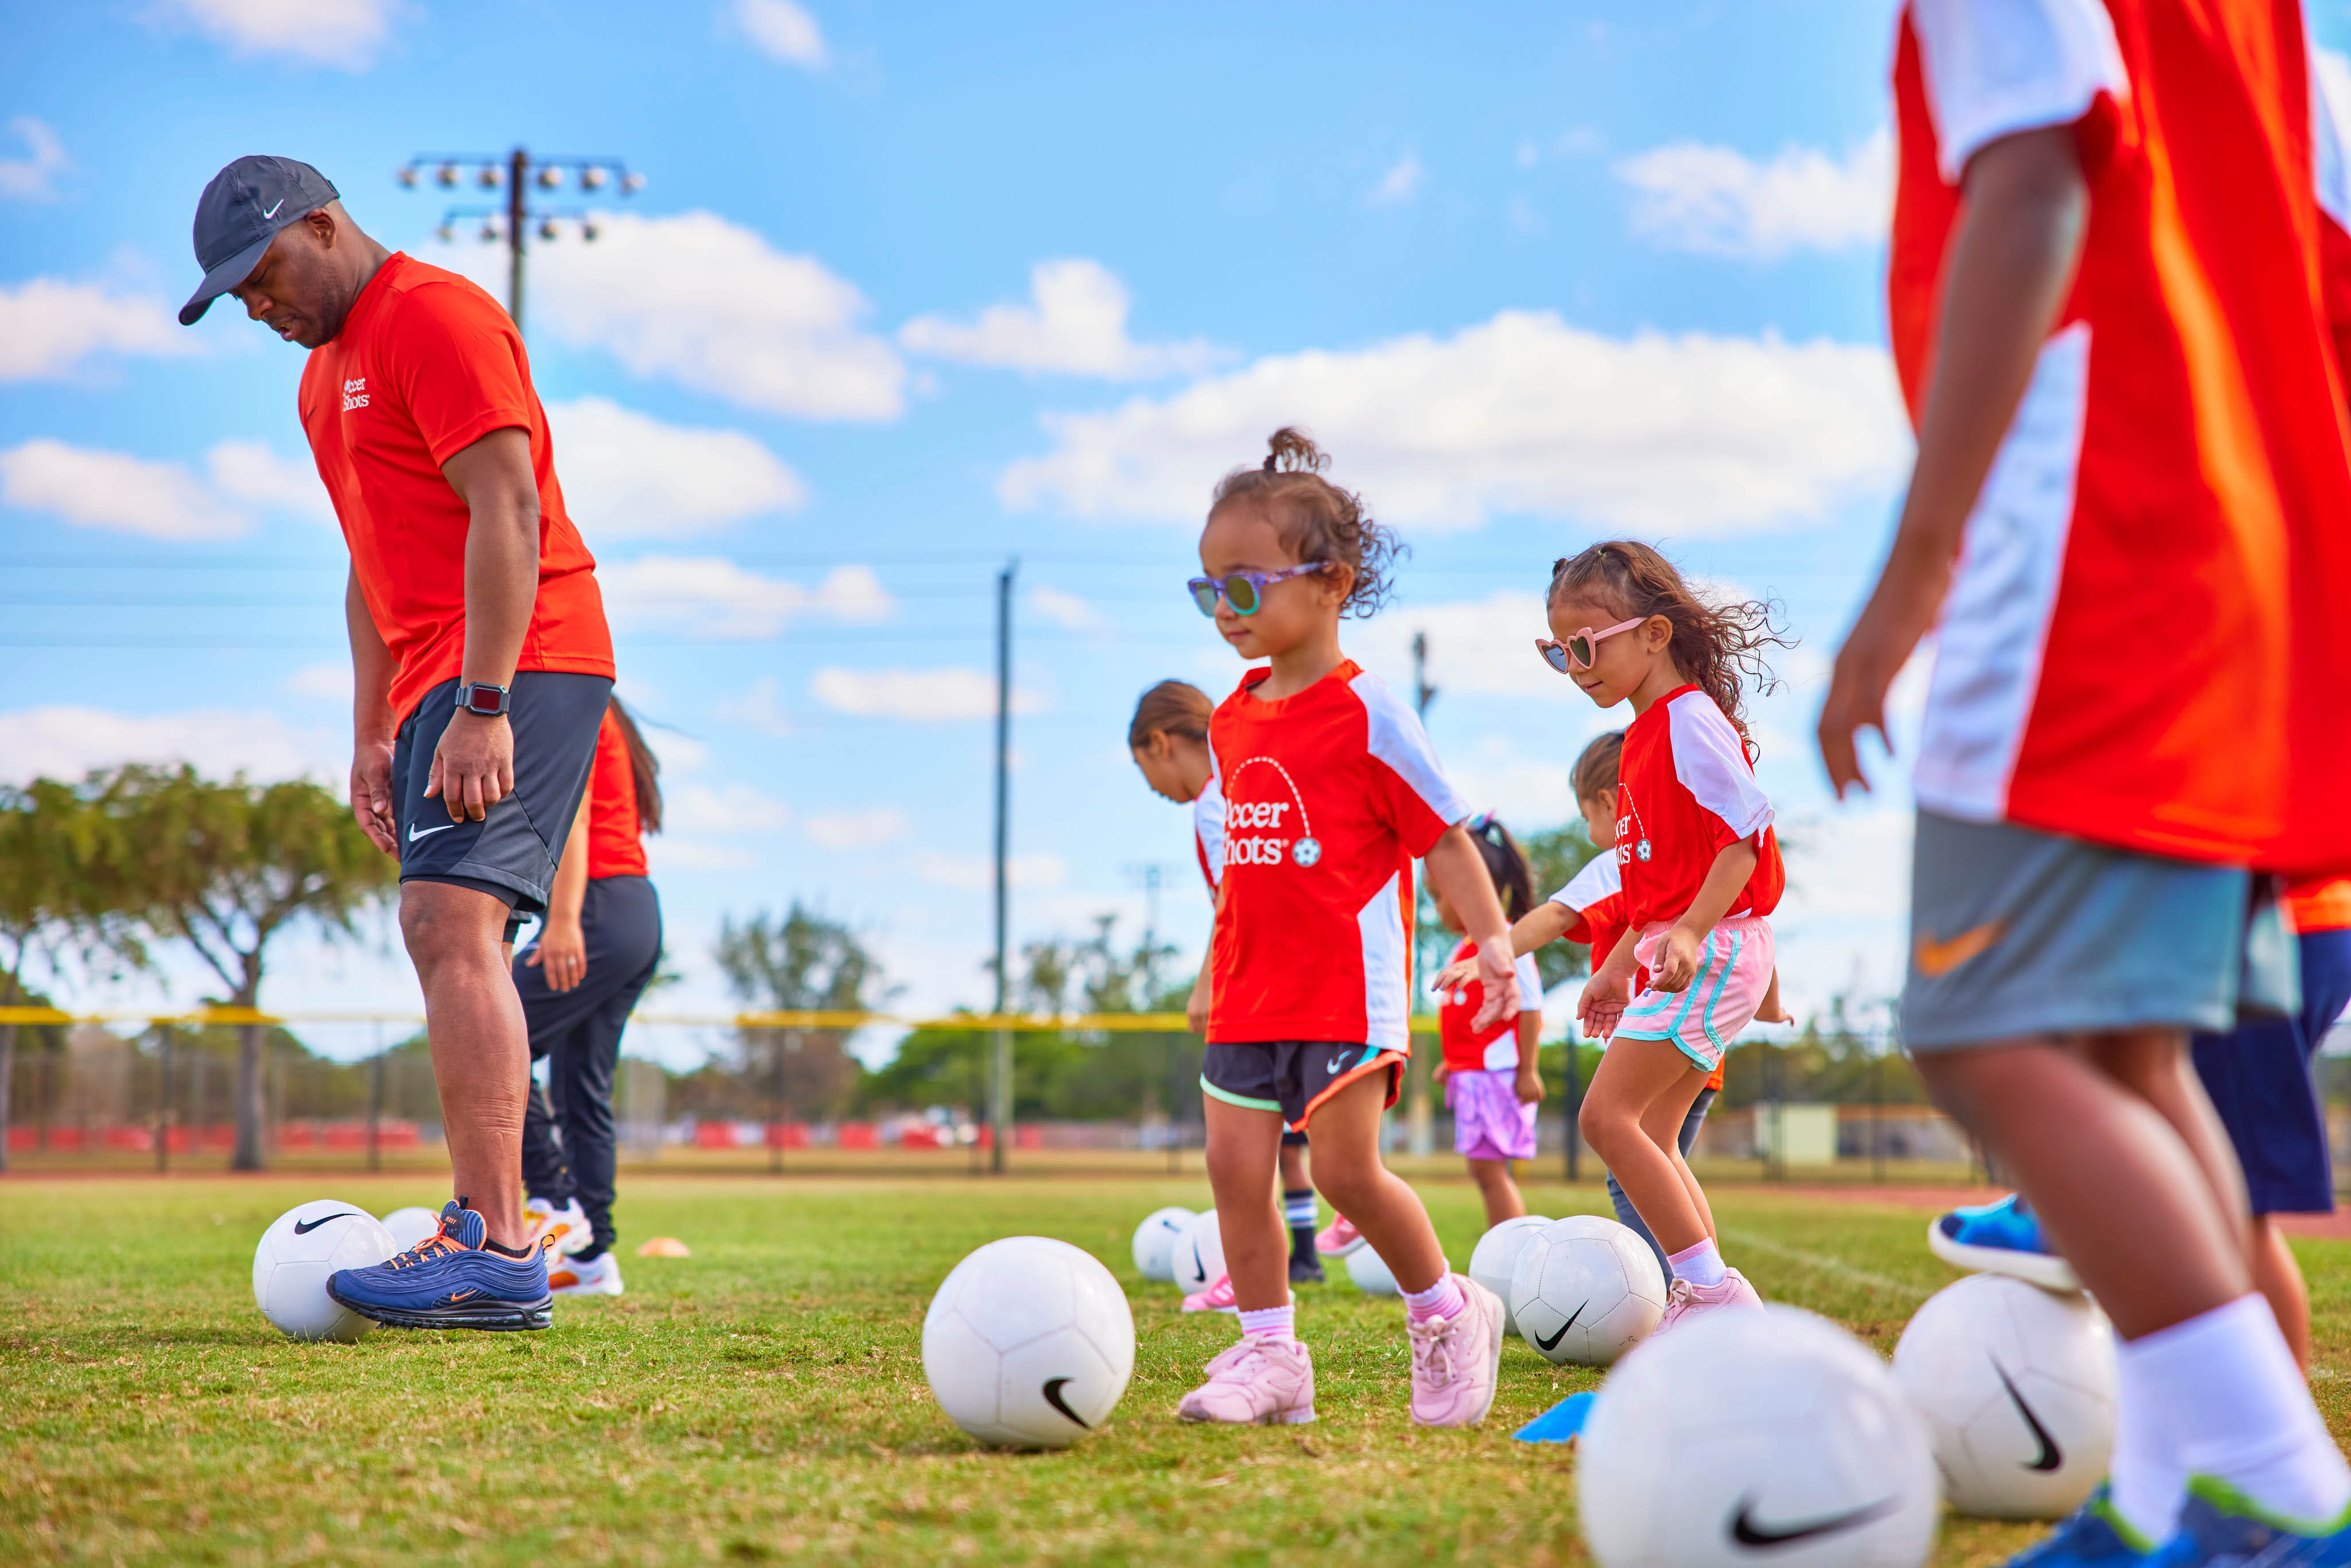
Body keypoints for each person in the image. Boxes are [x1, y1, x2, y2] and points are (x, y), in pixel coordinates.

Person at [1817, 4, 2351, 1559]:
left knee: (1993, 1029)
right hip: (2240, 541)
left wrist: (1914, 575)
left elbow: (2040, 172)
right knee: (2129, 1049)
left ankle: (2278, 1492)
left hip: (2090, 539)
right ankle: (2187, 1497)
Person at [180, 156, 614, 1331]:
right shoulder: (322, 382)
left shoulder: (434, 314)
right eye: (239, 298)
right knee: (438, 926)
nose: (259, 307)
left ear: (322, 224)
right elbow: (368, 567)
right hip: (432, 674)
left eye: (263, 275)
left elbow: (509, 508)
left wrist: (481, 703)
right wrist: (372, 729)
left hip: (527, 651)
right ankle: (490, 1235)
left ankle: (496, 1244)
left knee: (447, 920)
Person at [1176, 428, 1516, 1429]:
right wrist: (1212, 966)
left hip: (1344, 987)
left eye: (1243, 586)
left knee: (1343, 1171)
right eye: (1208, 591)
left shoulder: (1372, 714)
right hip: (1249, 987)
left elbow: (1443, 837)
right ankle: (1273, 1357)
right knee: (1234, 1169)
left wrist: (1492, 939)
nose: (1224, 612)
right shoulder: (1231, 722)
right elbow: (1244, 862)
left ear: (1330, 582)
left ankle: (1448, 1312)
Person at [1933, 874, 2351, 1371]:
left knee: (2236, 1202)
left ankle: (2273, 1437)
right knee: (2201, 1162)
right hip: (2259, 914)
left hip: (2257, 917)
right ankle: (2056, 1208)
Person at [1543, 541, 1784, 1331]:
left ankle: (1712, 1294)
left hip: (1713, 952)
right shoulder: (1648, 730)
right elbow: (1653, 887)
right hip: (1694, 950)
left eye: (1585, 645)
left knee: (1605, 1120)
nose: (1576, 667)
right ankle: (1709, 1299)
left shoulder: (1685, 721)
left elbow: (1745, 836)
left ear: (1653, 634)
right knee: (1650, 1130)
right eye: (1558, 652)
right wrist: (1619, 965)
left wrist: (1690, 931)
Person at [1129, 681, 1328, 1294]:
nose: (1156, 791)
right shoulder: (1241, 782)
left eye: (1146, 773)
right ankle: (1254, 1276)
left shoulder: (1218, 798)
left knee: (1252, 1154)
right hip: (1283, 982)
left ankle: (1433, 1296)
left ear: (1161, 743)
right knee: (1252, 1155)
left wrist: (1206, 983)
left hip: (1265, 990)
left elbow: (1237, 894)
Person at [514, 697, 666, 1298]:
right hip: (634, 910)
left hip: (598, 905)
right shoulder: (602, 710)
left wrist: (565, 920)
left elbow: (573, 815)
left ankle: (553, 1198)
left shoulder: (570, 704)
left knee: (491, 1038)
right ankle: (591, 1257)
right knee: (582, 1086)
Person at [1428, 815, 1546, 1230]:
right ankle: (1506, 1249)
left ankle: (1512, 1253)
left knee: (1491, 1173)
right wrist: (1454, 1062)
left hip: (1498, 1075)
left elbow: (1530, 1008)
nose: (1436, 908)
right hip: (1474, 1075)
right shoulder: (1464, 947)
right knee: (1484, 1173)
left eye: (1438, 896)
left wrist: (1528, 1070)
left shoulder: (1510, 943)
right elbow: (1464, 1014)